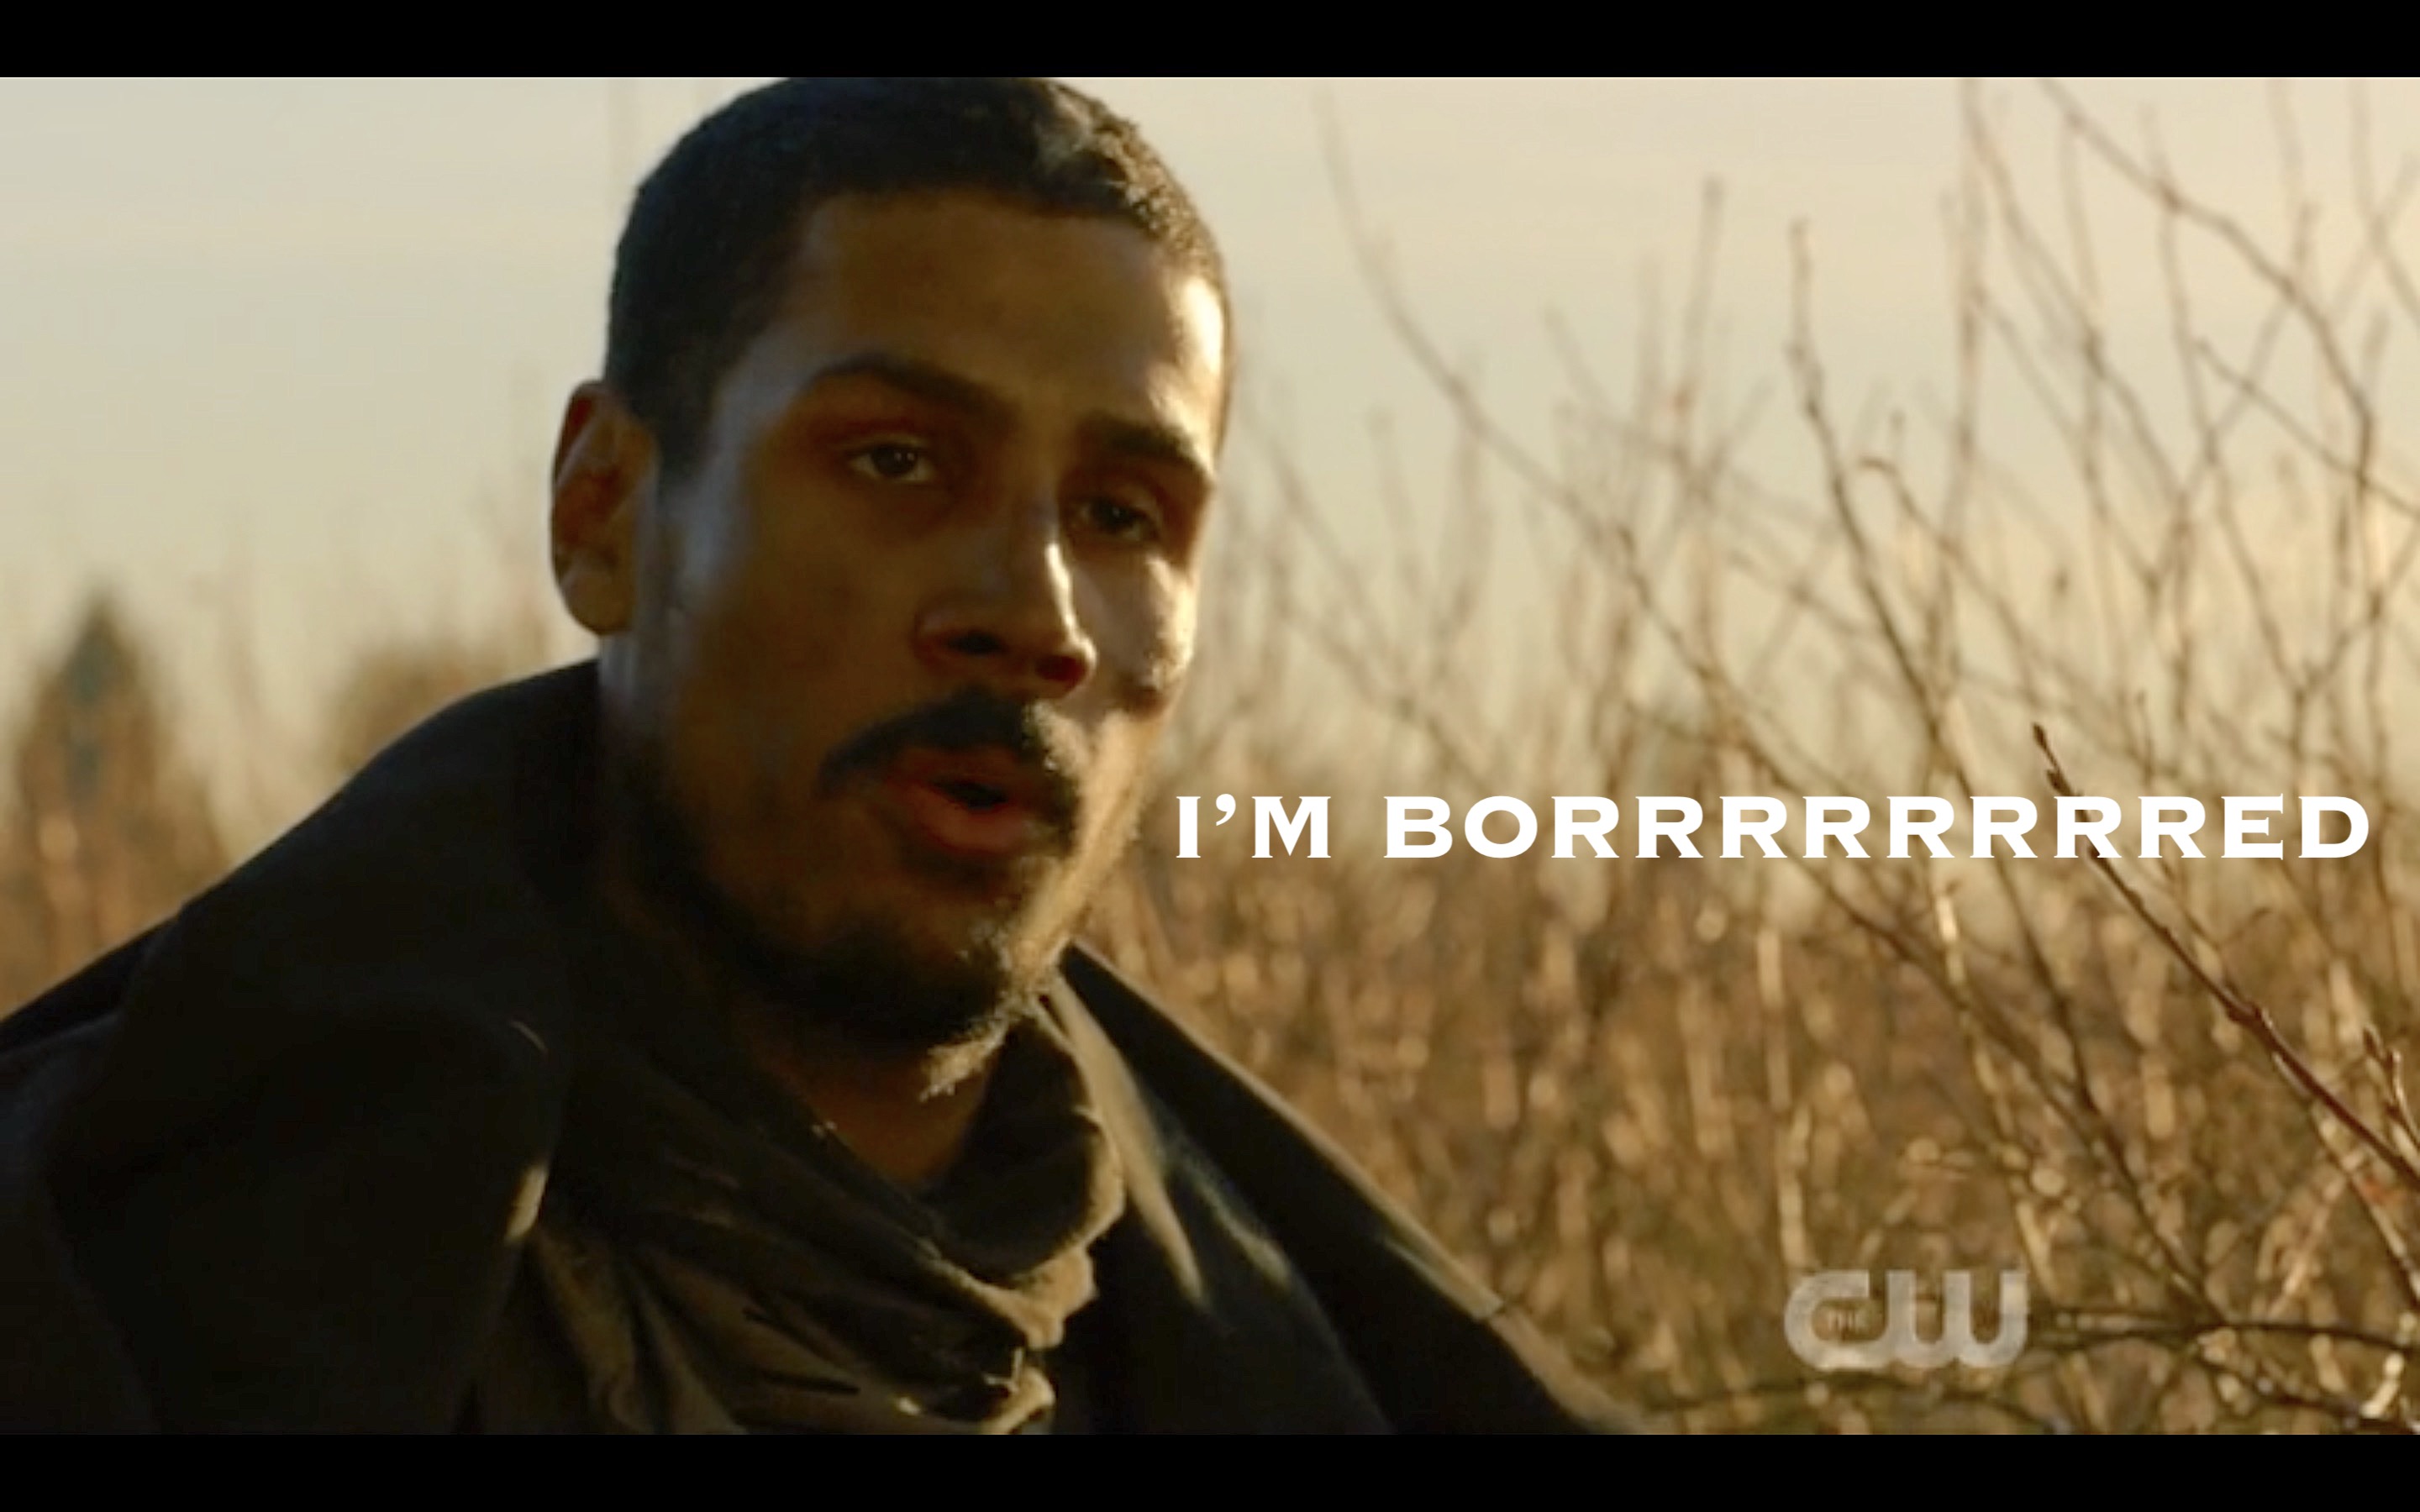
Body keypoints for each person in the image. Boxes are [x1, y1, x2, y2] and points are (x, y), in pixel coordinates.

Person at [0, 77, 1623, 1433]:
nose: (1036, 614)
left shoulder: (1355, 1370)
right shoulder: (97, 1289)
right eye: (900, 460)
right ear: (604, 513)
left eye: (1124, 515)